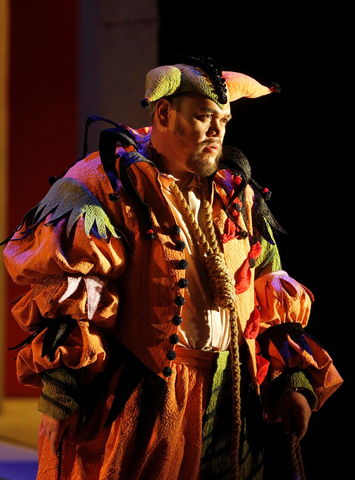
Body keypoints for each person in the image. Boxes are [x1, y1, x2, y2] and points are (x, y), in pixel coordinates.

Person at [2, 55, 342, 480]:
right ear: (164, 113)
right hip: (148, 396)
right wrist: (60, 396)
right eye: (203, 118)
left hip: (229, 395)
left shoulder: (236, 194)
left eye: (224, 119)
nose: (218, 131)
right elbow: (75, 295)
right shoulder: (107, 183)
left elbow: (266, 285)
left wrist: (292, 382)